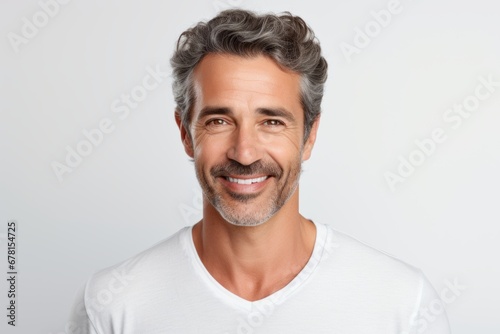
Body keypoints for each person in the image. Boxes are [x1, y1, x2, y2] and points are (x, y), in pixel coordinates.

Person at [69, 9, 451, 333]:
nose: (245, 152)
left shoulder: (403, 304)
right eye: (219, 121)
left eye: (271, 122)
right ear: (186, 133)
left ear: (309, 135)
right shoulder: (111, 304)